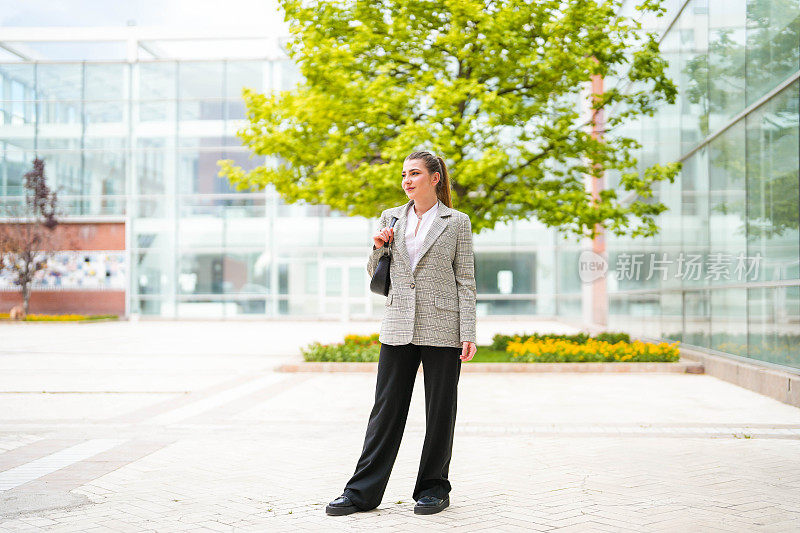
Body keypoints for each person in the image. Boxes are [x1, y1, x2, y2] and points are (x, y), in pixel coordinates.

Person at [326, 150, 478, 516]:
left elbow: (466, 281)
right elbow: (373, 271)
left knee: (440, 410)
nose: (406, 180)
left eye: (414, 173)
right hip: (397, 323)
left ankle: (433, 488)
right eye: (404, 175)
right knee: (385, 410)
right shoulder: (390, 217)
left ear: (434, 178)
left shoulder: (457, 221)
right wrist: (377, 246)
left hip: (443, 324)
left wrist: (468, 330)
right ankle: (361, 492)